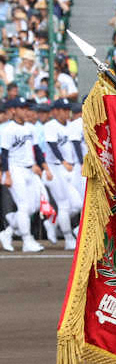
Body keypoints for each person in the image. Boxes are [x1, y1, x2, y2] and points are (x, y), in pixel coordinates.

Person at [0, 97, 49, 253]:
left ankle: (7, 231)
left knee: (33, 206)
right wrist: (6, 174)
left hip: (30, 169)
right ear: (14, 110)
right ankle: (27, 240)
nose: (26, 111)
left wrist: (43, 166)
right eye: (22, 108)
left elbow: (37, 150)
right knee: (23, 206)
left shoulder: (30, 128)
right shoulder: (8, 129)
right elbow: (4, 154)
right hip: (15, 169)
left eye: (27, 108)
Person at [42, 98, 82, 249]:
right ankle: (68, 238)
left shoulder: (71, 126)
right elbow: (52, 145)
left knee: (77, 204)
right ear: (56, 111)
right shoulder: (50, 125)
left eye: (68, 110)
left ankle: (52, 223)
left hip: (67, 169)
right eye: (64, 110)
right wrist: (64, 161)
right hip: (55, 167)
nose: (67, 112)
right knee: (64, 205)